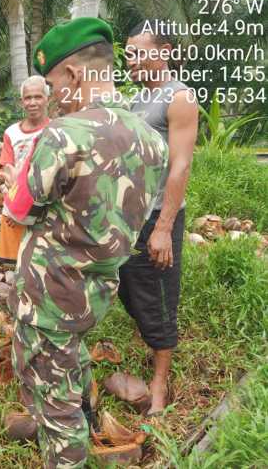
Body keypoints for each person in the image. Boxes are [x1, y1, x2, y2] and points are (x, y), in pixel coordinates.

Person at [2, 18, 168, 468]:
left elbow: (18, 210)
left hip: (48, 294)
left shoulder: (64, 134)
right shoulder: (154, 142)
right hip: (96, 289)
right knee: (72, 360)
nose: (54, 96)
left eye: (54, 84)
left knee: (55, 408)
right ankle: (87, 420)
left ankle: (69, 448)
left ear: (74, 74)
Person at [120, 20, 198, 415]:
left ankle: (159, 382)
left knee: (161, 294)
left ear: (164, 50)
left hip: (157, 218)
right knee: (130, 288)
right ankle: (149, 341)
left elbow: (180, 165)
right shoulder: (137, 100)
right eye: (128, 53)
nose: (130, 60)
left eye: (138, 52)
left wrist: (164, 227)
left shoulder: (179, 97)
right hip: (132, 218)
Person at [0, 75, 50, 265]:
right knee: (14, 270)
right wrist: (15, 211)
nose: (32, 102)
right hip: (15, 209)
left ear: (47, 99)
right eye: (28, 98)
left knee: (41, 269)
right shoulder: (11, 133)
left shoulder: (55, 131)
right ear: (21, 102)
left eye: (38, 97)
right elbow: (7, 172)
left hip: (45, 213)